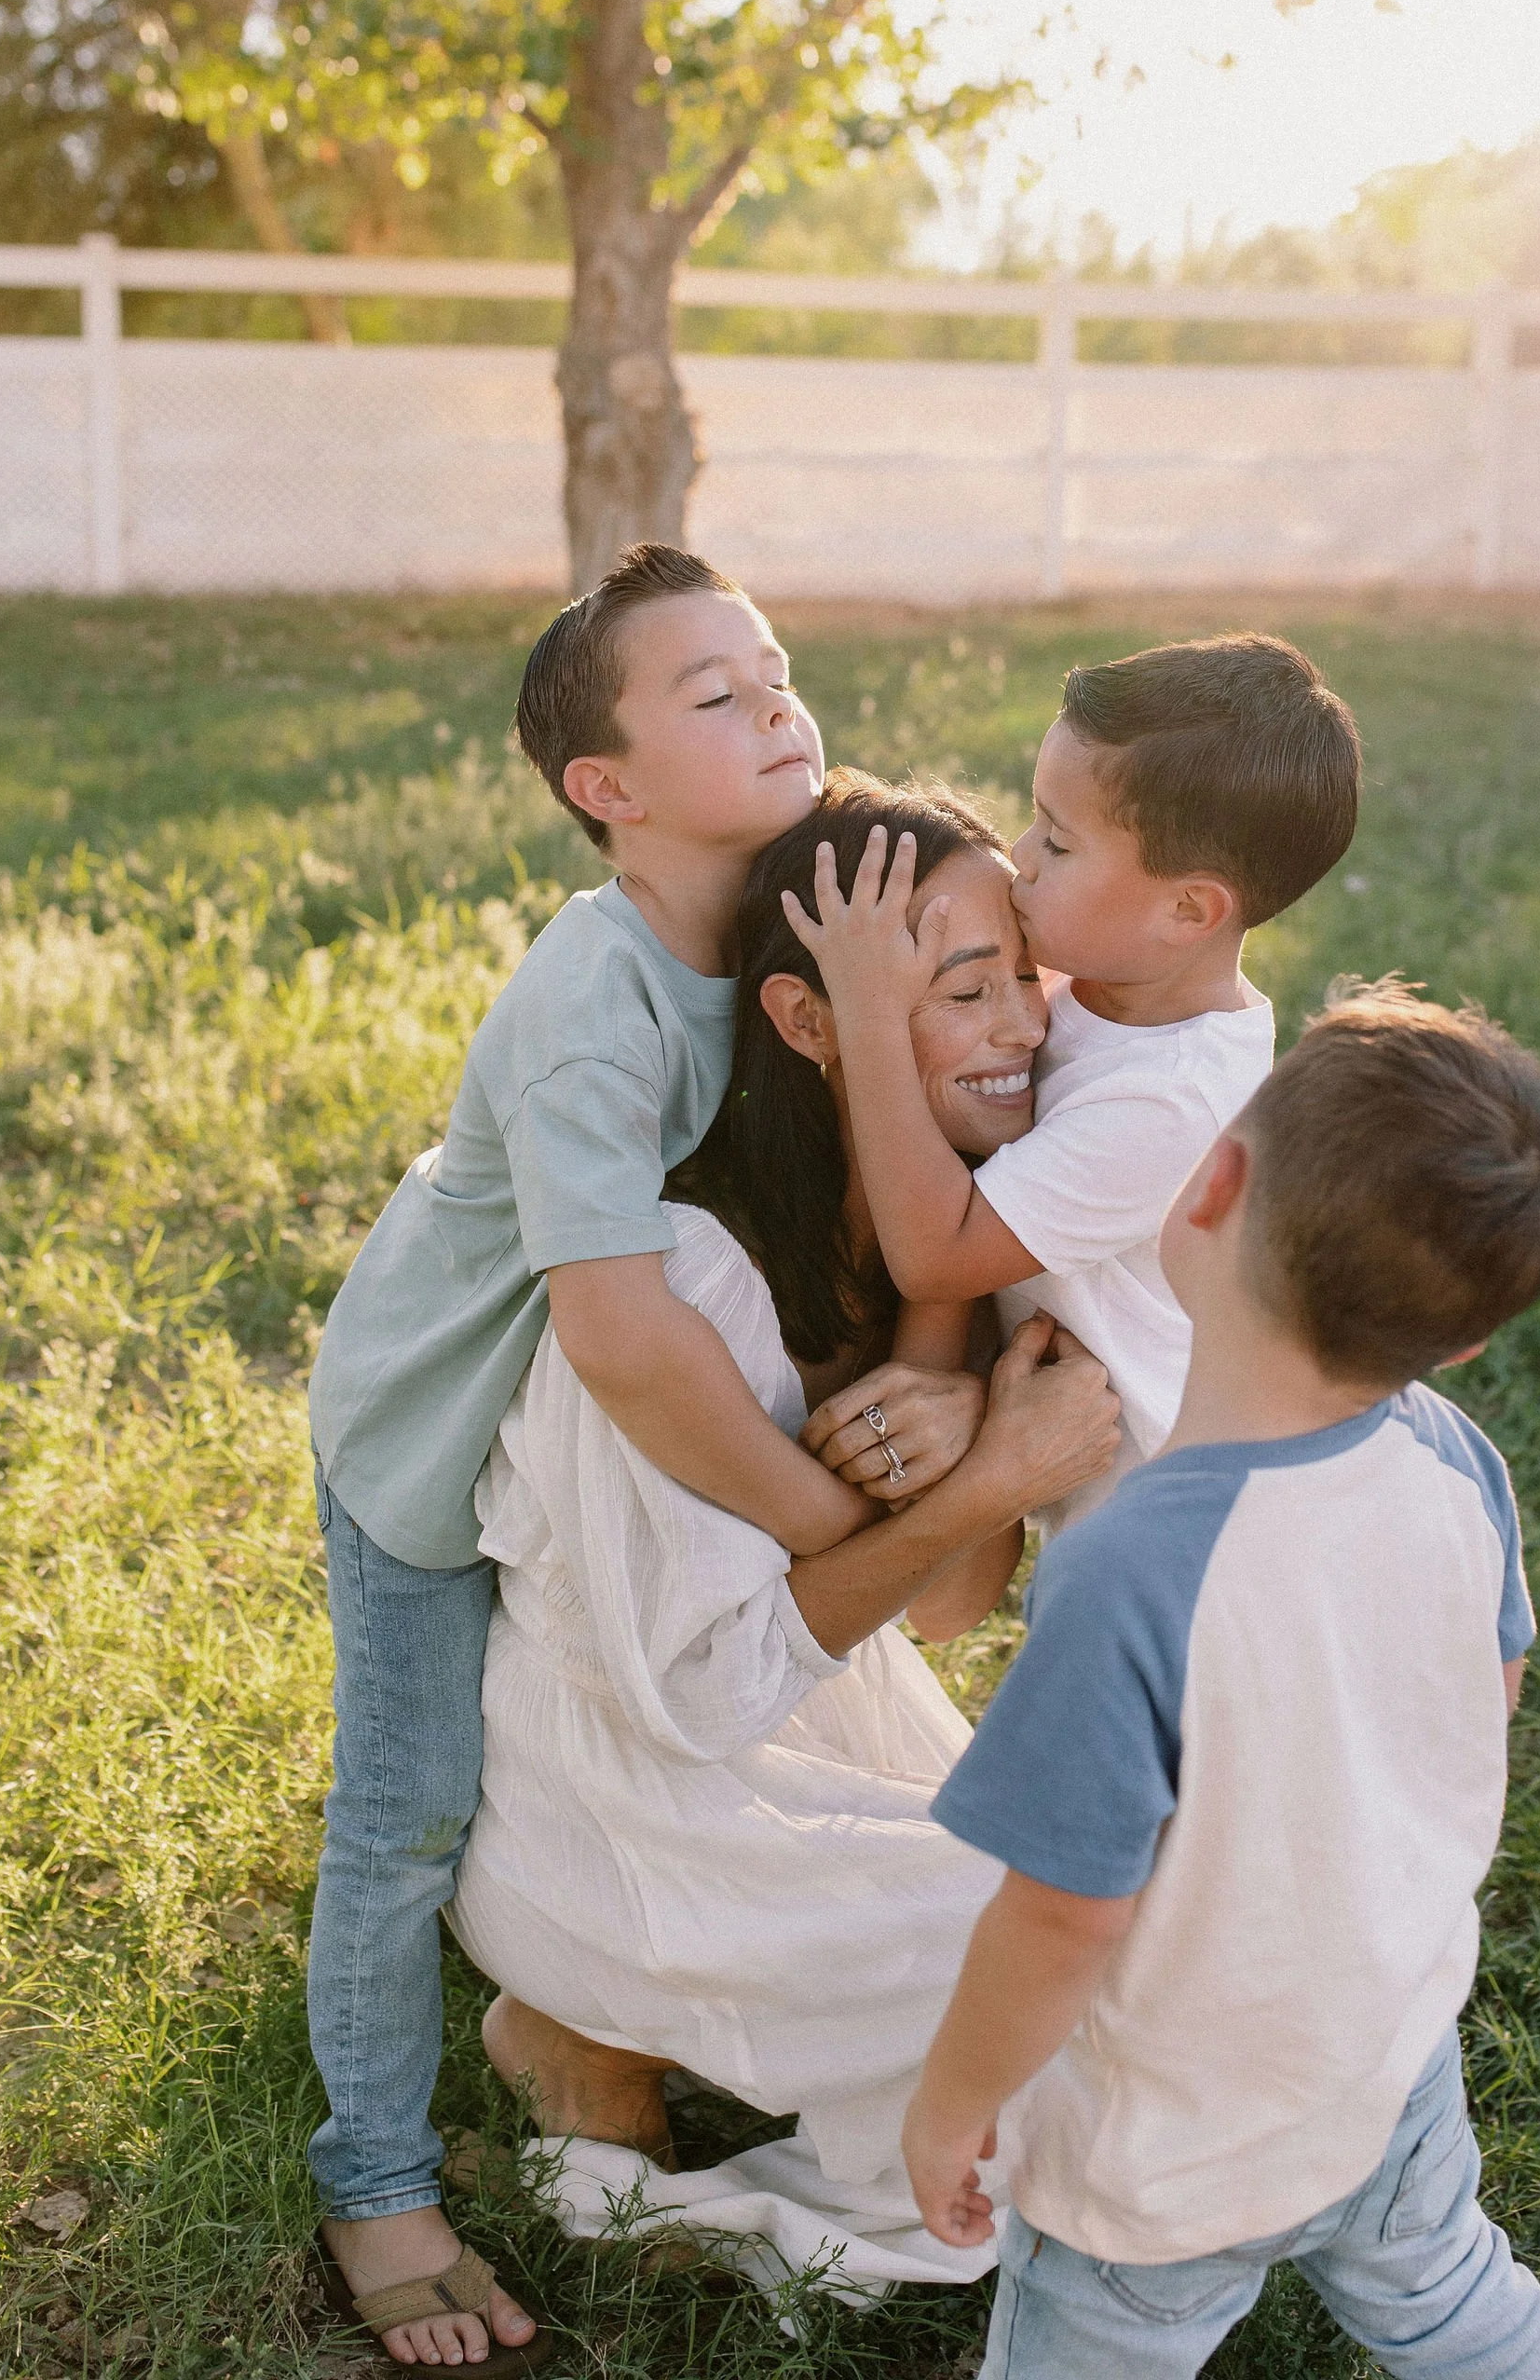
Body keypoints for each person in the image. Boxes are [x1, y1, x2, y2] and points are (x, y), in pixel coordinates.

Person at [305, 553, 983, 2369]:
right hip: (424, 1452)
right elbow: (616, 1332)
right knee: (401, 1809)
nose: (776, 701)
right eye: (713, 693)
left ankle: (594, 1991)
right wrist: (820, 1521)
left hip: (590, 1444)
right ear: (603, 792)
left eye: (774, 668)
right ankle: (375, 2183)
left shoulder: (778, 922)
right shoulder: (591, 1003)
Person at [446, 776, 1122, 2300]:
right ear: (811, 1025)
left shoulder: (963, 1239)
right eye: (962, 989)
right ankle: (571, 2014)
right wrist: (972, 1480)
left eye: (1022, 974)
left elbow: (942, 1611)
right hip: (619, 1788)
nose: (1024, 1025)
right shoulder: (682, 1270)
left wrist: (942, 1335)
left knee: (1107, 1952)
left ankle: (703, 2025)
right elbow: (698, 1694)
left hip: (816, 1723)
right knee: (1062, 1974)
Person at [901, 981, 1540, 2379]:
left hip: (1166, 2152)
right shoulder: (1453, 1457)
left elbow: (1059, 1920)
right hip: (1387, 2060)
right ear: (1463, 1340)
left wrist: (948, 2105)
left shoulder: (1124, 1571)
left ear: (1207, 1180)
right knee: (1456, 2298)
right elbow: (1489, 1691)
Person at [785, 635, 1361, 1529]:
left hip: (1172, 1523)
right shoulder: (1096, 991)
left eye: (1056, 840)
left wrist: (867, 1014)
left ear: (1188, 911)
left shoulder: (1170, 1100)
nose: (1019, 857)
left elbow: (937, 1253)